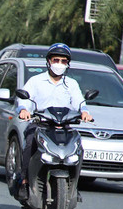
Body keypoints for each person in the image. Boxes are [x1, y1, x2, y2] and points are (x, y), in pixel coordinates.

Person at [15, 43, 92, 200]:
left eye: (63, 61)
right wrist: (23, 110)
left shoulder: (71, 84)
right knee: (29, 143)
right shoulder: (36, 81)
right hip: (40, 124)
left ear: (67, 64)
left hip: (64, 127)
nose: (59, 64)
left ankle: (74, 185)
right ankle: (24, 181)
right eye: (56, 60)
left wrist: (85, 112)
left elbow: (79, 101)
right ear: (48, 61)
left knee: (78, 148)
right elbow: (23, 98)